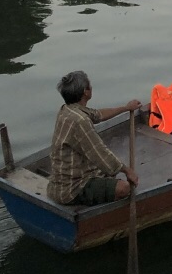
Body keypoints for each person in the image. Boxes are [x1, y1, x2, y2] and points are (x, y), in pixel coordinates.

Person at [46, 70, 140, 205]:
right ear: (86, 92)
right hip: (72, 189)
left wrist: (126, 108)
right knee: (124, 188)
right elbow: (100, 153)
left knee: (109, 171)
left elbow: (98, 114)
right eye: (90, 85)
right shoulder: (80, 121)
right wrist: (127, 170)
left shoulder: (67, 109)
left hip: (61, 183)